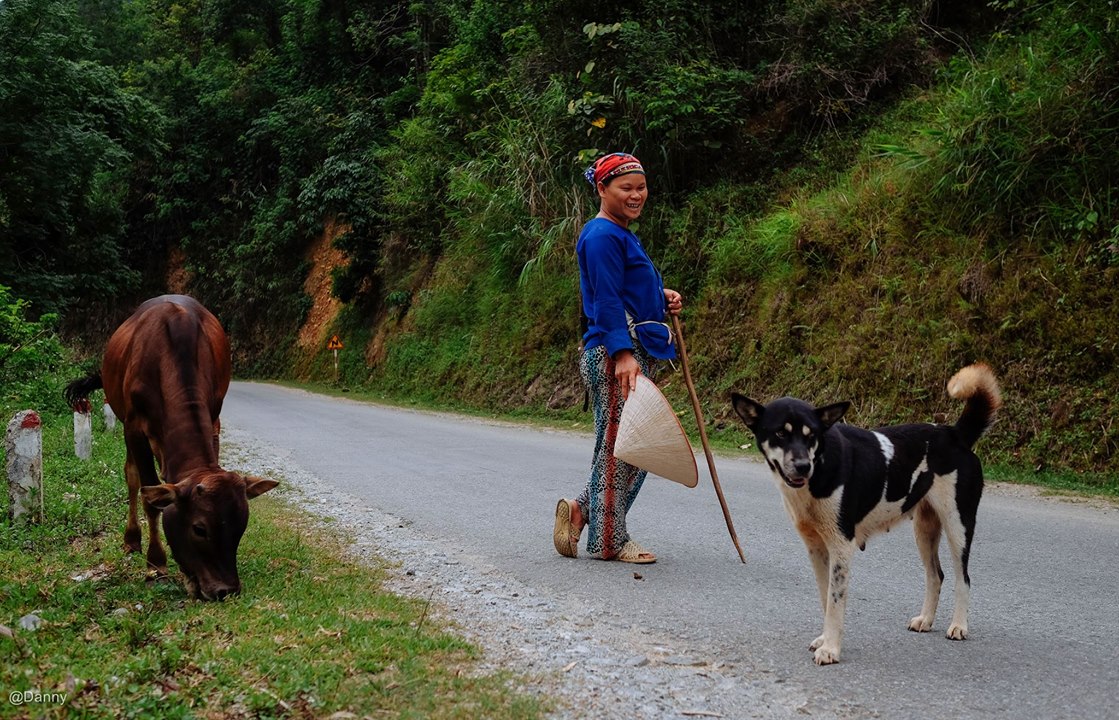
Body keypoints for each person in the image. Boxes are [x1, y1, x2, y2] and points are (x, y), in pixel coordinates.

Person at [553, 152, 684, 564]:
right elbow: (605, 300)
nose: (635, 195)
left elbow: (621, 291)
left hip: (624, 352)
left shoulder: (621, 234)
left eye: (640, 187)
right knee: (621, 451)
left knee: (635, 448)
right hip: (616, 357)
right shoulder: (602, 236)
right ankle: (609, 540)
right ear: (602, 189)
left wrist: (659, 298)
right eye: (625, 187)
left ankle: (580, 511)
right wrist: (623, 354)